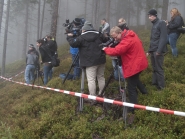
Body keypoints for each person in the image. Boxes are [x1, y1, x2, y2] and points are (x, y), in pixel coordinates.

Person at [102, 26, 148, 115]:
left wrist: (105, 49)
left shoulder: (127, 39)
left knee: (131, 88)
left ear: (120, 33)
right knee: (135, 80)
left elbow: (118, 51)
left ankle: (133, 108)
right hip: (139, 62)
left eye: (115, 37)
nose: (115, 39)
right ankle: (145, 92)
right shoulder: (130, 35)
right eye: (113, 38)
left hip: (135, 65)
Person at [67, 21, 109, 96]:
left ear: (84, 30)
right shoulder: (99, 34)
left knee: (91, 79)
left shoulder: (81, 37)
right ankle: (102, 94)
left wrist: (69, 37)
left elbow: (73, 44)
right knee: (101, 77)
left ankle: (93, 96)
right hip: (101, 59)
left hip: (89, 61)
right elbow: (107, 40)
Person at [147, 9, 167, 90]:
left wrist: (159, 50)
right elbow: (153, 39)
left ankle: (161, 87)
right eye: (148, 16)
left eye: (150, 16)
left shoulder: (161, 23)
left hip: (158, 51)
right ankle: (155, 83)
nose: (149, 18)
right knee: (154, 67)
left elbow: (163, 38)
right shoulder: (154, 24)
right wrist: (149, 50)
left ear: (155, 15)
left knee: (159, 69)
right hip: (153, 50)